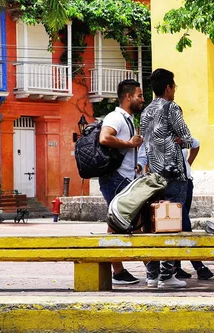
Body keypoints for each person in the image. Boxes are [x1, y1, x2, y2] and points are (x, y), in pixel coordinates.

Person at [140, 68, 194, 289]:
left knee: (154, 222)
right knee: (172, 222)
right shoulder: (171, 107)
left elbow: (147, 140)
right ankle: (167, 275)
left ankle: (152, 275)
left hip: (154, 173)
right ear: (168, 87)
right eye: (174, 86)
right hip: (174, 173)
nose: (174, 91)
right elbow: (188, 138)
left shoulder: (145, 112)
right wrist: (179, 140)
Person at [98, 79, 146, 285]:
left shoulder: (127, 119)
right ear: (128, 97)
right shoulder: (115, 117)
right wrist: (129, 143)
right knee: (120, 222)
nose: (142, 100)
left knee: (127, 222)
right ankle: (120, 271)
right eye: (140, 95)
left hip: (124, 177)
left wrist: (135, 164)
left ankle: (145, 269)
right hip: (115, 178)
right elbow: (104, 138)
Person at [173, 135, 214, 280]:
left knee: (180, 225)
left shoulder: (182, 135)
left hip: (186, 182)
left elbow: (196, 144)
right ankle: (198, 265)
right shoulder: (159, 134)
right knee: (183, 224)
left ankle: (175, 266)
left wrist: (188, 164)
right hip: (171, 186)